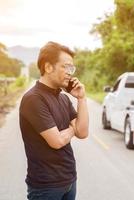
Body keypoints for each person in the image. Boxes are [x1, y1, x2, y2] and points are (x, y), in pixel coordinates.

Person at [19, 41, 89, 200]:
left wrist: (82, 99)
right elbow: (56, 141)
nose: (70, 72)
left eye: (72, 68)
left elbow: (83, 132)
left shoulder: (63, 98)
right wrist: (73, 129)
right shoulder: (34, 99)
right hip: (46, 187)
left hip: (69, 180)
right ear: (48, 67)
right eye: (66, 67)